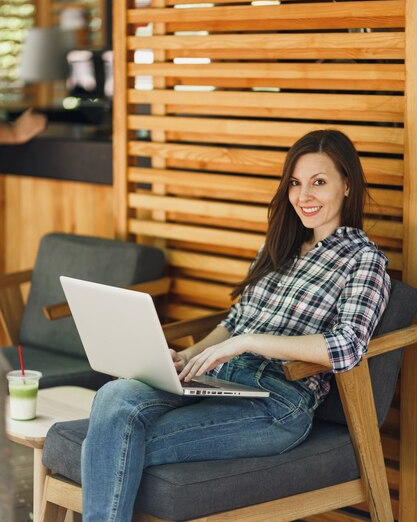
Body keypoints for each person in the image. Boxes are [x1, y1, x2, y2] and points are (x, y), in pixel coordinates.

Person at [82, 129, 391, 522]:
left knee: (115, 440)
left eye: (319, 182)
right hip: (218, 381)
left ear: (347, 185)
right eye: (295, 183)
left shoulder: (363, 260)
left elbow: (347, 347)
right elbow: (235, 322)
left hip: (277, 404)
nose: (304, 196)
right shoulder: (277, 248)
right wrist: (191, 356)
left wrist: (250, 342)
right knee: (114, 396)